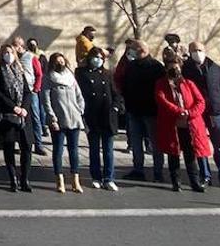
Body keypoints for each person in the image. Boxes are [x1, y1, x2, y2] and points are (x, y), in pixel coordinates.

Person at [182, 41, 220, 190]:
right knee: (200, 144)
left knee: (219, 144)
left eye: (199, 50)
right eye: (194, 50)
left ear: (205, 50)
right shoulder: (185, 69)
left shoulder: (214, 68)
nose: (197, 53)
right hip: (197, 113)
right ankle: (205, 175)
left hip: (215, 111)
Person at [154, 62, 212, 193]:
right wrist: (178, 111)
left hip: (190, 125)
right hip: (172, 124)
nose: (174, 71)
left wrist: (190, 112)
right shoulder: (161, 84)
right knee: (173, 154)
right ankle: (176, 182)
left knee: (190, 154)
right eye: (171, 69)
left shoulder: (188, 84)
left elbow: (200, 101)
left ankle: (194, 182)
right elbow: (162, 100)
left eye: (176, 68)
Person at [0, 44, 34, 192]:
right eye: (5, 52)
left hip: (23, 115)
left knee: (27, 147)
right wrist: (13, 107)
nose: (8, 55)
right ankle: (12, 179)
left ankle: (25, 179)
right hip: (8, 115)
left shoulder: (20, 70)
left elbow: (28, 92)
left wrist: (24, 108)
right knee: (9, 147)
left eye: (11, 52)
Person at [75, 48, 119, 191]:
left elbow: (115, 93)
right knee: (94, 149)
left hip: (107, 116)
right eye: (95, 57)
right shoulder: (81, 73)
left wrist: (116, 107)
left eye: (100, 57)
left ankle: (109, 178)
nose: (98, 60)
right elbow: (79, 94)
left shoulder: (107, 74)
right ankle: (96, 177)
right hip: (91, 116)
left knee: (108, 150)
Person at [121, 39, 165, 182]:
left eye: (133, 48)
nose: (130, 51)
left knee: (155, 143)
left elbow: (160, 90)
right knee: (135, 142)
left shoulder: (156, 67)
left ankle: (158, 171)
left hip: (150, 111)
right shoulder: (131, 66)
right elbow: (125, 84)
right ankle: (138, 169)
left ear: (141, 50)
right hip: (133, 110)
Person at [42, 52, 85, 194]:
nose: (61, 63)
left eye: (63, 60)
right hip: (58, 120)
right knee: (58, 150)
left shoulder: (70, 76)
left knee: (74, 150)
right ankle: (59, 180)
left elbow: (79, 95)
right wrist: (52, 118)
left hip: (74, 118)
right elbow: (46, 100)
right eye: (58, 61)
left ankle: (75, 180)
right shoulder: (49, 78)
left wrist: (80, 109)